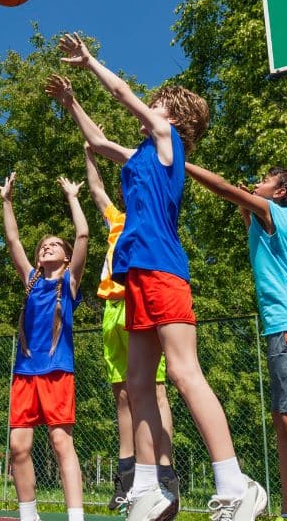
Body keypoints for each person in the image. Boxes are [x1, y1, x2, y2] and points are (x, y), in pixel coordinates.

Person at [46, 31, 266, 521]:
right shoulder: (142, 153)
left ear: (175, 119)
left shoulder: (169, 144)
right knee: (139, 380)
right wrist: (71, 101)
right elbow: (99, 143)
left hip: (164, 268)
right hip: (134, 278)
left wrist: (89, 62)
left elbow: (123, 95)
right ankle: (149, 489)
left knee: (185, 375)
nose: (147, 105)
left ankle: (235, 484)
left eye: (157, 103)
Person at [185, 163, 287, 521]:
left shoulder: (275, 212)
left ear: (280, 192)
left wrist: (181, 162)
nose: (259, 182)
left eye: (267, 180)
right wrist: (245, 206)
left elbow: (222, 188)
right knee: (284, 419)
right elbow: (251, 225)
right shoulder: (274, 220)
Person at [82, 141, 177, 510]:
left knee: (155, 389)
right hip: (111, 309)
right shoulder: (118, 220)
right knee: (121, 394)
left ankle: (165, 470)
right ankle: (129, 474)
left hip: (141, 302)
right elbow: (96, 190)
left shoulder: (153, 217)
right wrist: (90, 153)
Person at [0, 172, 89, 521]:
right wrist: (6, 201)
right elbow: (12, 239)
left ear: (66, 257)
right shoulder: (32, 281)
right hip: (25, 372)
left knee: (60, 442)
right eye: (42, 245)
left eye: (54, 244)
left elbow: (82, 234)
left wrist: (72, 196)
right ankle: (28, 515)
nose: (45, 246)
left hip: (56, 371)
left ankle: (75, 516)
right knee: (18, 447)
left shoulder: (69, 281)